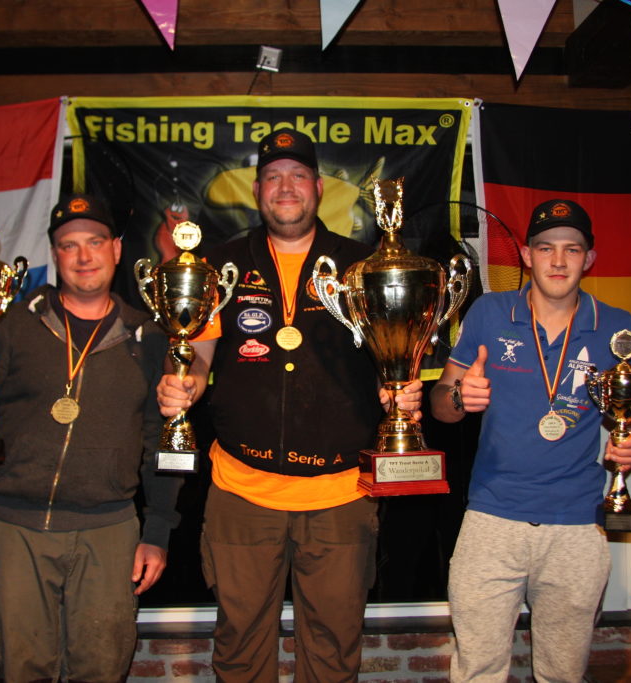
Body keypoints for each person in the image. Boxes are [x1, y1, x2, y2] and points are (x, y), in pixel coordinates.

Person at [156, 129, 422, 682]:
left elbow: (390, 360)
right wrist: (182, 383)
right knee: (239, 645)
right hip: (242, 491)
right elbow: (199, 356)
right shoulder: (220, 265)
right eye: (273, 177)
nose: (286, 188)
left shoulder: (362, 266)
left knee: (332, 648)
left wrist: (399, 390)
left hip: (341, 494)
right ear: (257, 191)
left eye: (297, 176)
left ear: (318, 188)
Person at [0, 193, 182, 682]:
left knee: (102, 668)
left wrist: (156, 533)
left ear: (116, 249)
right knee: (22, 668)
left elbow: (160, 443)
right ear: (55, 255)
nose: (84, 257)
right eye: (69, 246)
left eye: (94, 243)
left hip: (109, 532)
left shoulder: (149, 336)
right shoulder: (12, 326)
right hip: (15, 527)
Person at [430, 199, 631, 682]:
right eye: (545, 248)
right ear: (527, 256)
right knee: (476, 670)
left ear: (589, 259)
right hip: (491, 520)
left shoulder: (617, 326)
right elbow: (441, 410)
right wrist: (459, 393)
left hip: (576, 527)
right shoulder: (490, 312)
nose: (557, 261)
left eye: (571, 250)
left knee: (563, 673)